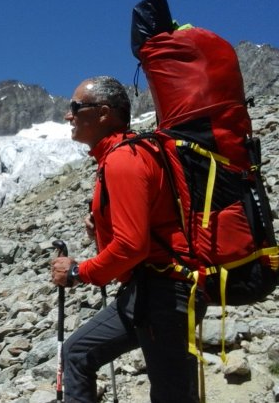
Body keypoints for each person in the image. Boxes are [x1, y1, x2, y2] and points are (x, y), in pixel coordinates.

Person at [51, 75, 206, 403]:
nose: (69, 115)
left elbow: (133, 246)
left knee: (172, 395)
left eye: (76, 107)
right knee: (77, 354)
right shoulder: (132, 151)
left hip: (163, 293)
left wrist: (79, 272)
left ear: (104, 113)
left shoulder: (123, 159)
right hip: (155, 290)